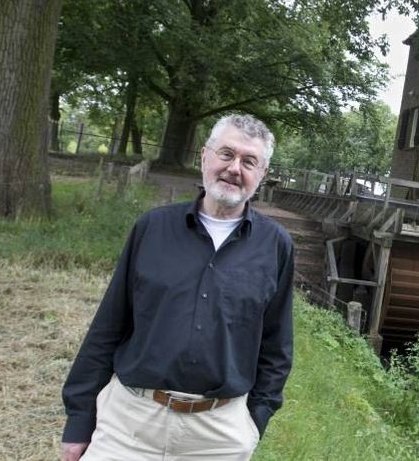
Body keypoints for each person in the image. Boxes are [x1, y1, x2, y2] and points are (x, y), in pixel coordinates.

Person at [61, 114, 294, 461]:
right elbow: (108, 326)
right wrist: (80, 422)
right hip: (129, 425)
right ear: (205, 156)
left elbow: (276, 348)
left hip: (217, 437)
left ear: (261, 174)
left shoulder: (276, 246)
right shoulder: (152, 228)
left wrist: (253, 423)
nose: (235, 168)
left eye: (249, 161)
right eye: (226, 154)